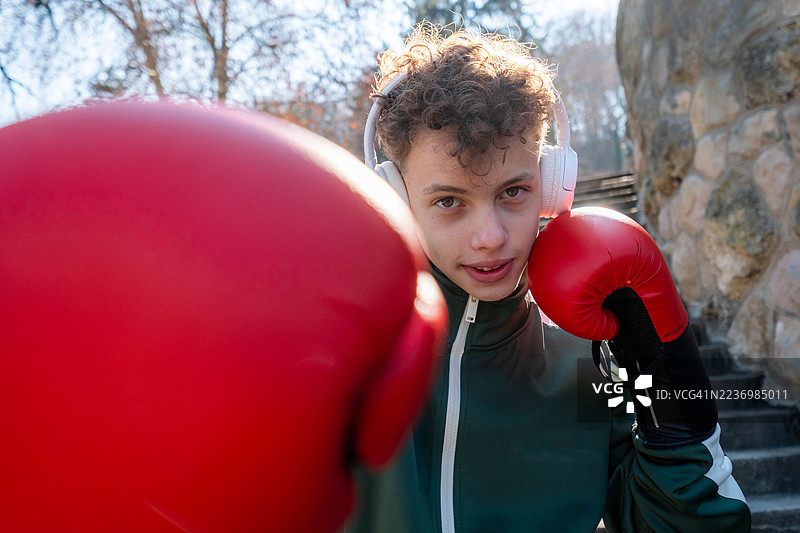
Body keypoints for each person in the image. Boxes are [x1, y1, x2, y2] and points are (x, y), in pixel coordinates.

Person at [342, 23, 751, 532]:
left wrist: (665, 369)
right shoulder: (352, 351)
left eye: (513, 191)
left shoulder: (585, 359)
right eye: (449, 201)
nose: (490, 237)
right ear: (398, 198)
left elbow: (687, 526)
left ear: (554, 186)